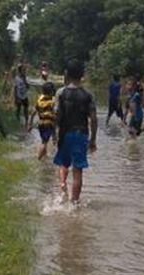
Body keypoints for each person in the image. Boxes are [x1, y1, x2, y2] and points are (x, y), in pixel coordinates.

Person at [54, 59, 97, 204]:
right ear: (82, 75)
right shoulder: (87, 95)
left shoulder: (62, 94)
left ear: (67, 74)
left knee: (64, 164)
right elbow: (94, 119)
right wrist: (93, 140)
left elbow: (57, 117)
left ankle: (62, 187)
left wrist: (55, 136)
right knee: (77, 173)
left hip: (65, 135)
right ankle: (74, 204)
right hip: (81, 135)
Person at [29, 82, 57, 160]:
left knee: (44, 141)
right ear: (52, 92)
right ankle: (39, 158)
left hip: (40, 124)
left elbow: (33, 113)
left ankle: (45, 157)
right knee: (44, 143)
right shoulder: (53, 102)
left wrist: (30, 124)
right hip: (49, 124)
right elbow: (55, 115)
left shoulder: (40, 100)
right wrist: (55, 135)